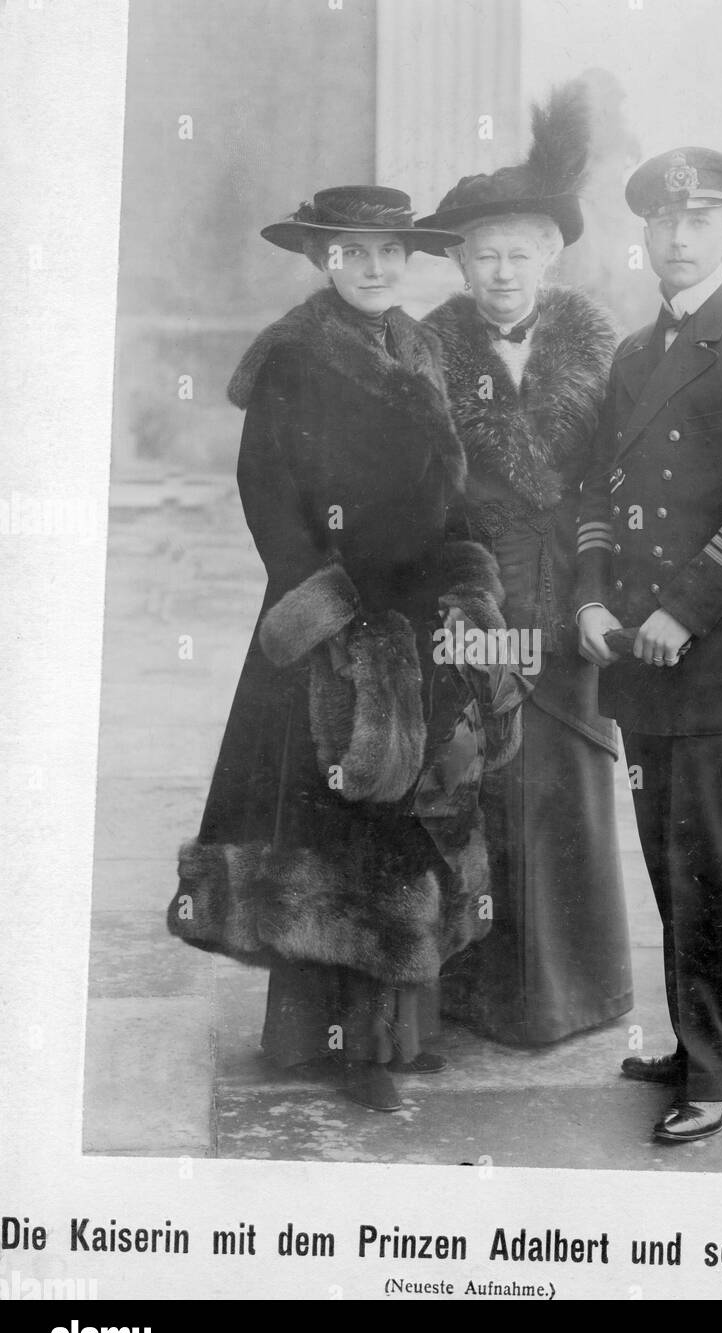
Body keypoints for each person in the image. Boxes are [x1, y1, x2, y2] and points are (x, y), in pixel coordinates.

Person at [167, 185, 527, 1113]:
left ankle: (395, 1032)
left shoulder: (422, 347)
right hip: (333, 625)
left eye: (388, 253)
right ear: (323, 259)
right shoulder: (294, 356)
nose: (372, 268)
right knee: (329, 823)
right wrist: (332, 618)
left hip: (419, 621)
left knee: (407, 814)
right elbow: (267, 493)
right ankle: (323, 1040)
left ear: (407, 261)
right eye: (354, 252)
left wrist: (470, 579)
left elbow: (452, 487)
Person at [576, 148, 722, 1142]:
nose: (676, 240)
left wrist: (682, 608)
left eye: (697, 222)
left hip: (713, 642)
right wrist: (591, 598)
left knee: (707, 858)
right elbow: (595, 494)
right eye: (661, 225)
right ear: (644, 237)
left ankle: (710, 1070)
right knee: (669, 849)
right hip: (634, 643)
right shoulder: (632, 356)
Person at [417, 84, 633, 1044]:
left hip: (573, 594)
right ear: (462, 262)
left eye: (519, 252)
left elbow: (617, 486)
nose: (501, 271)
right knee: (481, 787)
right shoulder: (431, 348)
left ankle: (578, 995)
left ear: (550, 253)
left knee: (569, 790)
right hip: (476, 596)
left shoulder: (600, 345)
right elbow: (417, 485)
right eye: (484, 254)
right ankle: (481, 993)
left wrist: (598, 592)